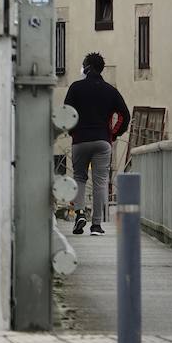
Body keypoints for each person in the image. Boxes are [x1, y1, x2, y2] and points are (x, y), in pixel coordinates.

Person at [63, 52, 130, 236]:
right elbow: (124, 115)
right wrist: (113, 134)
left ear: (88, 67)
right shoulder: (110, 90)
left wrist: (72, 131)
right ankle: (97, 226)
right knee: (100, 182)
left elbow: (66, 112)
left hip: (80, 140)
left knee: (79, 177)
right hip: (102, 140)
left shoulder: (76, 88)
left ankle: (79, 214)